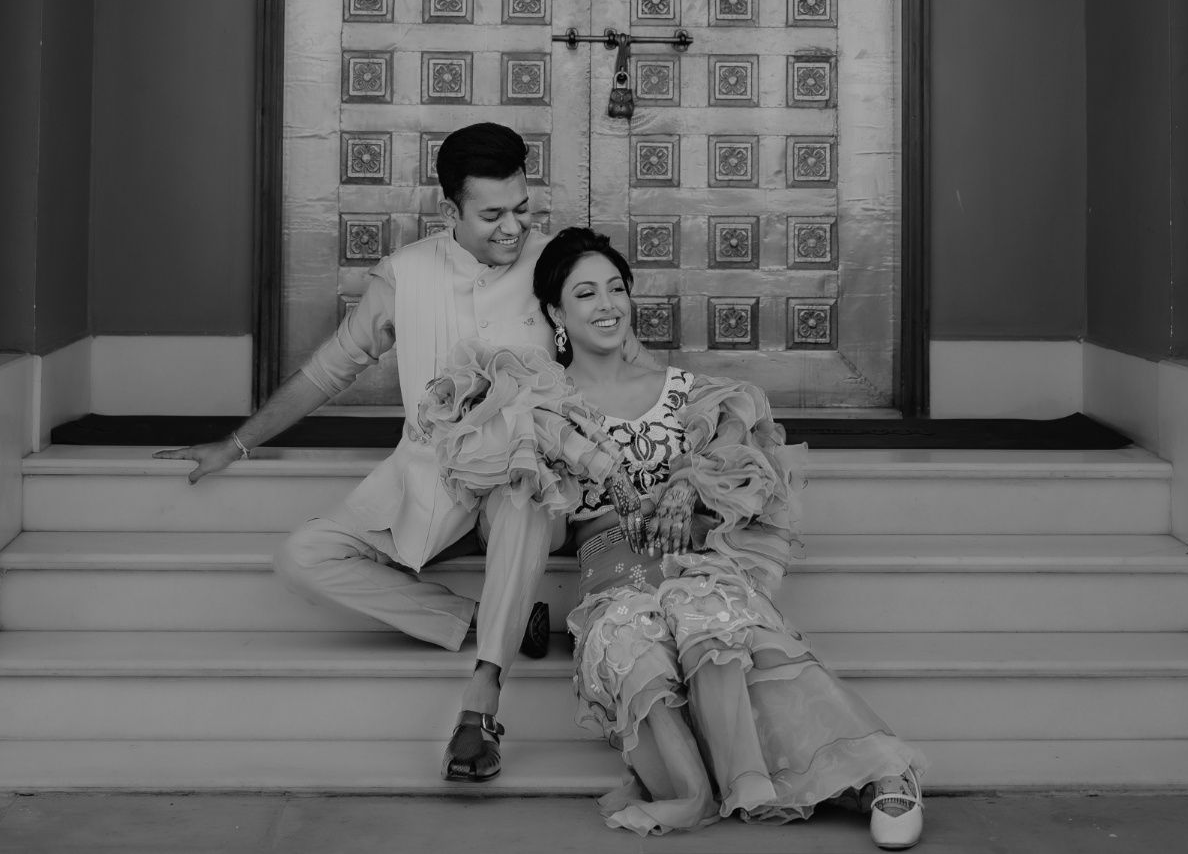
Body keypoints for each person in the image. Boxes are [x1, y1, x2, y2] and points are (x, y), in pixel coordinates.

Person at [415, 227, 926, 845]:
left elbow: (743, 466)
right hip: (610, 577)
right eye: (585, 294)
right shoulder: (543, 398)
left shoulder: (689, 393)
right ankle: (704, 775)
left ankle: (877, 772)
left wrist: (686, 486)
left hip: (694, 563)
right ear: (555, 313)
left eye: (616, 289)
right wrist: (598, 468)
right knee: (634, 640)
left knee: (714, 624)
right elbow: (495, 464)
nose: (607, 305)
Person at [157, 121, 558, 782]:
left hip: (527, 474)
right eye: (492, 216)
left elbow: (608, 361)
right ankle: (487, 618)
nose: (513, 227)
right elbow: (332, 368)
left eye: (522, 208)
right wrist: (236, 442)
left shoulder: (557, 263)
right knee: (302, 557)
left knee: (523, 497)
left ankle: (481, 700)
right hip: (432, 479)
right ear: (450, 211)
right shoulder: (407, 274)